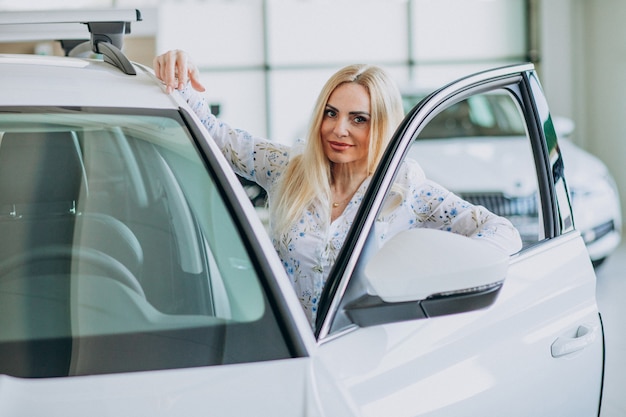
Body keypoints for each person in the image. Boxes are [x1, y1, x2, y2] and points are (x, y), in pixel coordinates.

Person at [153, 50, 522, 327]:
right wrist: (179, 70)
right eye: (331, 113)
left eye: (358, 119)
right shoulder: (289, 168)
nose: (338, 129)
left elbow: (502, 232)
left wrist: (445, 271)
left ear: (383, 125)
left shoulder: (407, 190)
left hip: (366, 354)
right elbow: (214, 134)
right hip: (289, 345)